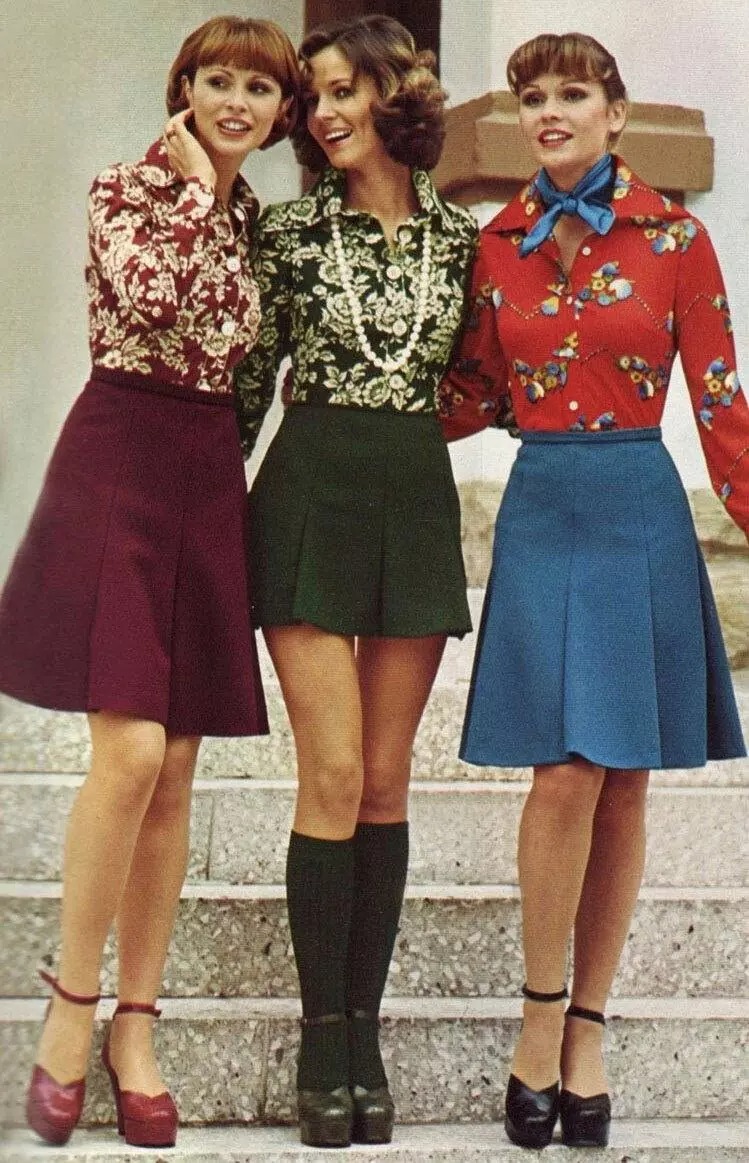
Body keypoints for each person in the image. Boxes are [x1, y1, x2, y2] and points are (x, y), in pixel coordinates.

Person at [438, 31, 747, 1152]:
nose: (549, 112)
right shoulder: (496, 243)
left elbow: (718, 398)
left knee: (621, 780)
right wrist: (352, 428)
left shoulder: (675, 238)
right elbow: (469, 392)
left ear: (615, 114)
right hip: (543, 505)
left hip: (635, 507)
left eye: (572, 93)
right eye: (533, 97)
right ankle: (535, 1017)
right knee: (562, 771)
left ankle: (586, 1028)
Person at [0, 16, 299, 1149]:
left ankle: (137, 1025)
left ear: (279, 113)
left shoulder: (254, 219)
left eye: (258, 89)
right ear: (184, 90)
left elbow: (240, 349)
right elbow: (158, 299)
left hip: (204, 471)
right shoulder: (122, 190)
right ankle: (70, 1006)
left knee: (174, 767)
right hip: (119, 458)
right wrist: (191, 195)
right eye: (218, 80)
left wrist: (217, 207)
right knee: (127, 749)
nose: (236, 103)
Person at [233, 14, 487, 1149]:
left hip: (411, 496)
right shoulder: (287, 234)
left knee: (384, 782)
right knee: (332, 773)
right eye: (314, 97)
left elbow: (482, 379)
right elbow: (246, 387)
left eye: (342, 91)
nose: (323, 113)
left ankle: (365, 1035)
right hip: (306, 492)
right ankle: (318, 1036)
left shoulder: (461, 239)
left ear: (394, 95)